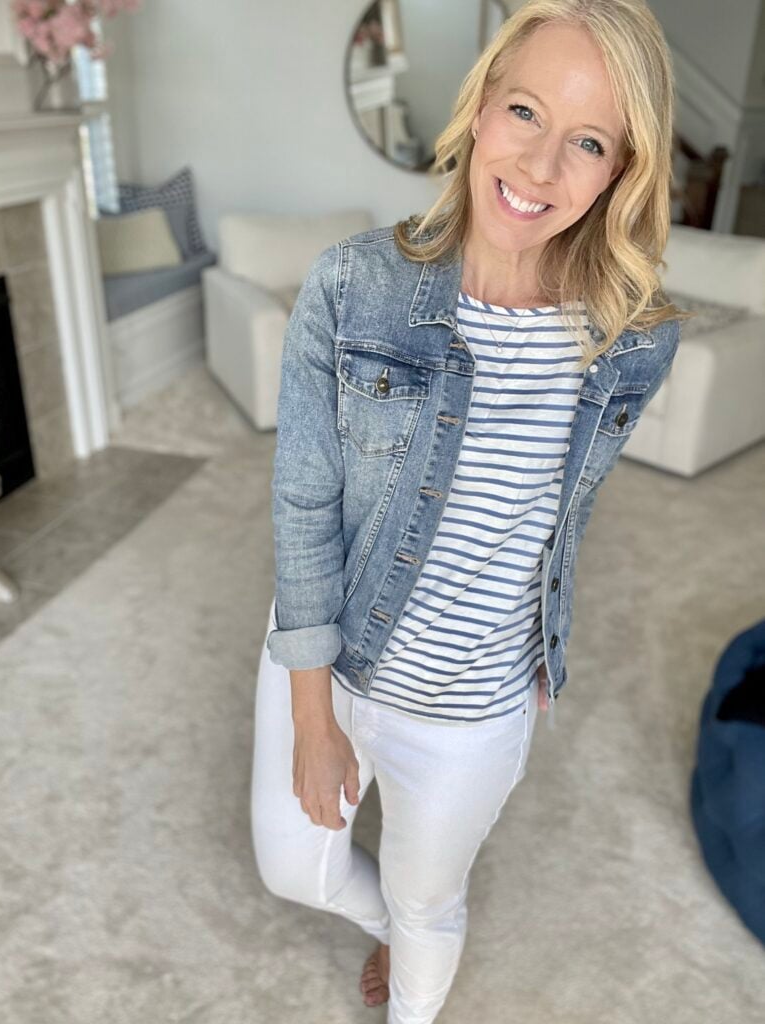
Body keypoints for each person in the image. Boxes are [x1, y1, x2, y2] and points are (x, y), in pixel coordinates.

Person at [250, 1, 691, 1020]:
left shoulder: (632, 339)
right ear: (482, 106)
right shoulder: (352, 285)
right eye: (525, 112)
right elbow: (304, 500)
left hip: (473, 709)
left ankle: (413, 978)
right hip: (331, 656)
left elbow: (561, 511)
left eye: (588, 142)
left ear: (621, 170)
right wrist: (314, 716)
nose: (539, 167)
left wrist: (539, 629)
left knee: (427, 900)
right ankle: (394, 936)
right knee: (295, 868)